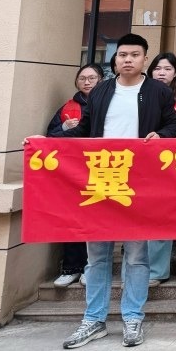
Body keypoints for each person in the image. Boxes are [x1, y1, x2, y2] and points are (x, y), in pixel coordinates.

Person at [58, 33, 176, 350]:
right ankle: (94, 320)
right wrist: (47, 143)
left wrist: (161, 136)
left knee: (137, 256)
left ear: (144, 59)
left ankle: (133, 318)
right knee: (97, 256)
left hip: (138, 184)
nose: (128, 59)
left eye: (134, 54)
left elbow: (173, 126)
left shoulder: (158, 91)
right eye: (123, 54)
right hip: (102, 181)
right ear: (115, 59)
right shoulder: (100, 91)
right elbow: (84, 130)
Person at [47, 63, 105, 288]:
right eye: (82, 78)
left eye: (92, 78)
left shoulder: (108, 102)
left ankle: (93, 267)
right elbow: (50, 136)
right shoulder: (67, 107)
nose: (87, 82)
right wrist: (64, 127)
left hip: (101, 168)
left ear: (101, 80)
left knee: (97, 221)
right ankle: (72, 268)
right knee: (73, 219)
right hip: (72, 172)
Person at [146, 52, 176, 287]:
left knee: (161, 215)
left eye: (167, 69)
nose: (162, 73)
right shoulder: (141, 92)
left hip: (171, 161)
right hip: (139, 160)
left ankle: (157, 270)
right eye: (158, 68)